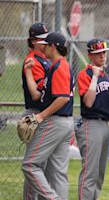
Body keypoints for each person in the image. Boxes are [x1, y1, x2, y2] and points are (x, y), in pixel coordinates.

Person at [22, 32, 74, 199]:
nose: (42, 47)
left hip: (55, 122)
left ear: (53, 47)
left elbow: (63, 98)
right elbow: (37, 95)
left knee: (30, 165)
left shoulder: (59, 67)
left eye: (46, 44)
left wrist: (40, 116)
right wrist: (29, 72)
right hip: (63, 123)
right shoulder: (57, 66)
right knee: (58, 172)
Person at [76, 38, 109, 199]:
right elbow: (88, 101)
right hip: (91, 126)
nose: (102, 56)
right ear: (90, 55)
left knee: (99, 174)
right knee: (90, 173)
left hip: (105, 127)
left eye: (104, 53)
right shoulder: (85, 74)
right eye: (98, 53)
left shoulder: (105, 76)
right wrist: (94, 77)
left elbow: (107, 108)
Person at [21, 22, 51, 199]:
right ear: (32, 41)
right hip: (35, 113)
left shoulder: (45, 59)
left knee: (42, 165)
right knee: (35, 165)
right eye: (41, 40)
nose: (45, 43)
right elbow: (38, 93)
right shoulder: (33, 60)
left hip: (43, 114)